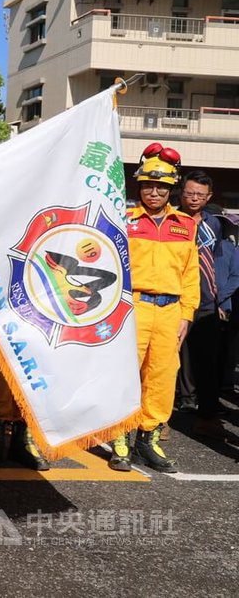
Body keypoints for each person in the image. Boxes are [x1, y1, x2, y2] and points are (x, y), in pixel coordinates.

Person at [108, 144, 198, 473]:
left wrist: (187, 314)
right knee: (125, 374)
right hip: (134, 307)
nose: (154, 191)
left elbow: (191, 275)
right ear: (139, 187)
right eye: (148, 184)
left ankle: (149, 438)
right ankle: (120, 437)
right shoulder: (125, 220)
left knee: (162, 377)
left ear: (171, 188)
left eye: (161, 186)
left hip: (171, 311)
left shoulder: (186, 225)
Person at [176, 169, 239, 439]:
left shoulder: (213, 224)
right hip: (174, 300)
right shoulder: (171, 219)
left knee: (208, 363)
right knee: (168, 363)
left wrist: (218, 297)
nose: (194, 198)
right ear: (181, 192)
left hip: (206, 303)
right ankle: (157, 420)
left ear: (209, 196)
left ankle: (208, 417)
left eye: (200, 194)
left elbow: (216, 262)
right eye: (189, 193)